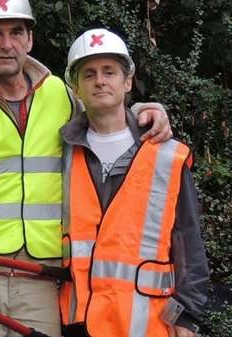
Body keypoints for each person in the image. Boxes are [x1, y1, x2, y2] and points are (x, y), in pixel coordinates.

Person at [0, 0, 171, 337]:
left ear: (30, 39)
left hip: (43, 271)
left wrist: (148, 110)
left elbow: (109, 116)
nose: (6, 44)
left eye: (16, 32)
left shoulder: (63, 94)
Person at [59, 28, 209, 337]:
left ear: (127, 82)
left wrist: (188, 315)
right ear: (76, 89)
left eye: (109, 71)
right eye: (89, 74)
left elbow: (189, 240)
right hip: (80, 323)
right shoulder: (63, 152)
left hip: (147, 323)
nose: (100, 80)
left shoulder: (167, 156)